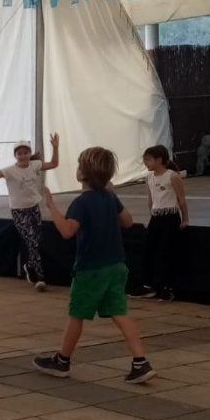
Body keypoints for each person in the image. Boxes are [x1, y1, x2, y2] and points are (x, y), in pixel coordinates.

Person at [33, 147, 155, 384]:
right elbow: (128, 222)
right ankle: (140, 362)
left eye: (79, 166)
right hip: (117, 266)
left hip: (91, 269)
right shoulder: (109, 197)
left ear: (84, 174)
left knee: (77, 314)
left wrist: (51, 206)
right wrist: (113, 197)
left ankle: (62, 361)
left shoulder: (81, 202)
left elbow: (67, 231)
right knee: (120, 313)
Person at [0, 134, 60, 291]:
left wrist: (55, 147)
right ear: (15, 156)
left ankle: (29, 265)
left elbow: (54, 163)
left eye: (26, 153)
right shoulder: (10, 171)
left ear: (29, 154)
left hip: (34, 208)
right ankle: (41, 277)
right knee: (32, 240)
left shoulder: (35, 165)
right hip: (19, 211)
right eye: (20, 153)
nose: (23, 156)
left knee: (36, 242)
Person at [132, 145, 188, 301]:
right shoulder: (149, 177)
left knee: (166, 251)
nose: (146, 162)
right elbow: (151, 200)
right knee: (149, 250)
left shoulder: (172, 176)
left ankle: (167, 287)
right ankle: (148, 286)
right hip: (156, 217)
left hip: (170, 217)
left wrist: (185, 219)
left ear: (159, 160)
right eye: (145, 159)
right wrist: (152, 214)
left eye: (148, 159)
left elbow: (181, 200)